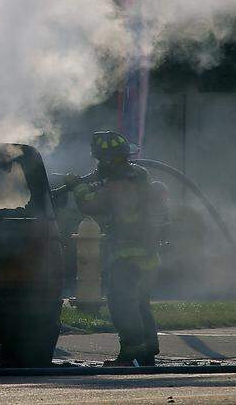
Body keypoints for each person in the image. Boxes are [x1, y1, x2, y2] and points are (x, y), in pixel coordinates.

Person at [68, 130, 168, 367]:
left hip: (127, 258)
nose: (98, 164)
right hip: (147, 256)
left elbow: (90, 204)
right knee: (140, 302)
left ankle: (130, 351)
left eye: (100, 159)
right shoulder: (138, 177)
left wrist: (76, 187)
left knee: (121, 304)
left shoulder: (119, 186)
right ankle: (147, 350)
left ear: (108, 160)